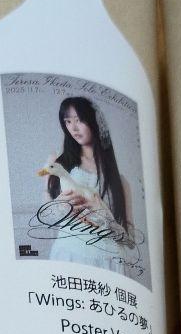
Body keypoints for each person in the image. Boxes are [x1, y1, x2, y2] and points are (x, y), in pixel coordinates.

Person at [41, 96, 137, 273]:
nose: (73, 128)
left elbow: (130, 241)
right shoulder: (56, 164)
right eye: (68, 121)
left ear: (94, 121)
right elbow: (46, 217)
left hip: (110, 264)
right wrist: (61, 205)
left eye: (79, 120)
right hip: (70, 257)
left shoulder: (120, 181)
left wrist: (105, 215)